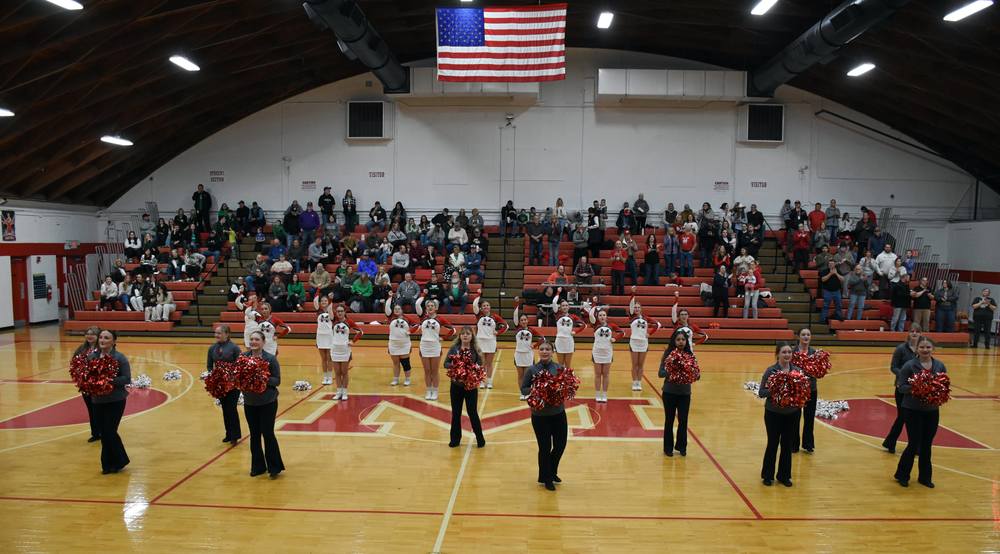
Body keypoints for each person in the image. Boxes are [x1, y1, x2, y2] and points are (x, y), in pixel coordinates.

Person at [894, 336, 946, 488]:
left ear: (933, 349)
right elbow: (901, 387)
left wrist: (937, 391)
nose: (925, 350)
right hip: (912, 410)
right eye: (922, 347)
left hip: (932, 411)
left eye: (928, 347)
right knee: (914, 443)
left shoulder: (940, 365)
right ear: (916, 349)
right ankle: (902, 475)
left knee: (927, 444)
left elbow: (944, 385)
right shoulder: (909, 366)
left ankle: (925, 477)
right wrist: (917, 388)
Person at [521, 341, 567, 491]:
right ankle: (547, 478)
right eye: (542, 349)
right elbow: (523, 389)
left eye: (548, 349)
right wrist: (537, 389)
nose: (545, 351)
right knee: (545, 447)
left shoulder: (560, 368)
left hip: (558, 413)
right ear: (538, 352)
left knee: (560, 445)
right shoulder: (532, 370)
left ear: (552, 351)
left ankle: (550, 471)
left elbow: (567, 387)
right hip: (540, 416)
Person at [242, 331, 284, 479]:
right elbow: (238, 378)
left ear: (263, 342)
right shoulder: (243, 358)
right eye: (252, 339)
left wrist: (262, 377)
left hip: (268, 402)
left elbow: (277, 381)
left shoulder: (270, 359)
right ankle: (258, 467)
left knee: (267, 433)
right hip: (250, 402)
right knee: (254, 435)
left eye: (257, 339)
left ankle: (274, 467)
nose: (254, 342)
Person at [89, 330, 131, 474]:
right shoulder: (92, 357)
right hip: (97, 400)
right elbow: (86, 376)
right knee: (104, 432)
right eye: (101, 337)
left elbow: (126, 379)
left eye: (106, 338)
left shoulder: (120, 358)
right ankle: (117, 461)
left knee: (109, 431)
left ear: (113, 342)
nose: (102, 340)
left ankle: (109, 464)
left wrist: (108, 380)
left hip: (116, 400)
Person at [758, 342, 800, 487]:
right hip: (773, 414)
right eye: (784, 352)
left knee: (787, 445)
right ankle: (767, 476)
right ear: (778, 354)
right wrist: (776, 390)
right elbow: (761, 392)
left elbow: (801, 393)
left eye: (789, 352)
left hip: (792, 414)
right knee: (773, 443)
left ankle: (784, 476)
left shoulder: (796, 371)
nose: (787, 354)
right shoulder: (771, 371)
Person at [444, 328, 487, 448]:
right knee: (456, 413)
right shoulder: (454, 349)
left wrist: (472, 370)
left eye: (468, 334)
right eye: (463, 334)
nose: (465, 336)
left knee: (472, 413)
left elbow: (480, 366)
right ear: (460, 336)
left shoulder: (476, 350)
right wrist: (456, 367)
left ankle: (480, 439)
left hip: (471, 387)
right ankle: (455, 439)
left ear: (472, 336)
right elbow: (445, 364)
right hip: (456, 386)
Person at [882, 324, 921, 453]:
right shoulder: (901, 349)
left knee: (915, 418)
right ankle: (891, 442)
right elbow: (893, 367)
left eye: (917, 331)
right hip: (902, 388)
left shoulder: (922, 348)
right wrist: (905, 375)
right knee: (903, 416)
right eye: (912, 331)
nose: (914, 333)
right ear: (908, 333)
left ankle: (912, 446)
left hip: (916, 388)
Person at [658, 329, 698, 457]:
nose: (681, 342)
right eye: (678, 340)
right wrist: (674, 370)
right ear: (674, 341)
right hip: (669, 392)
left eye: (683, 340)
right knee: (669, 420)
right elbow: (660, 373)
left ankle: (682, 447)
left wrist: (690, 373)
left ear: (686, 342)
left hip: (685, 393)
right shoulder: (668, 355)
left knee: (683, 420)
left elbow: (697, 375)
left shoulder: (690, 355)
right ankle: (668, 448)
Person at [207, 325, 243, 444]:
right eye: (215, 333)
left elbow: (241, 365)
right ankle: (228, 433)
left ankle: (235, 435)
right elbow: (209, 365)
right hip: (220, 384)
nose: (216, 335)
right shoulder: (212, 348)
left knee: (231, 409)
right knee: (225, 409)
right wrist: (213, 377)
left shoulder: (234, 348)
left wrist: (232, 377)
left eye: (219, 333)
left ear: (227, 334)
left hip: (233, 384)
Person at [413, 299, 455, 401]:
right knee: (427, 371)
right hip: (424, 346)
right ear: (426, 308)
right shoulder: (423, 318)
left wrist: (443, 338)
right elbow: (417, 303)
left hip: (435, 347)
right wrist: (424, 295)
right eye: (428, 306)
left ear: (436, 308)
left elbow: (453, 330)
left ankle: (435, 391)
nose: (430, 307)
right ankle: (428, 390)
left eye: (432, 306)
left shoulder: (440, 319)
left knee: (434, 371)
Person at [791, 328, 819, 453]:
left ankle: (808, 444)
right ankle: (793, 444)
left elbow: (818, 372)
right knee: (795, 417)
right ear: (798, 337)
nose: (806, 337)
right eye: (803, 334)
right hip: (796, 390)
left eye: (808, 334)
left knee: (809, 417)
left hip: (811, 389)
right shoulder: (792, 351)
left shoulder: (814, 352)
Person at [588, 307, 624, 403]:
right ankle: (597, 394)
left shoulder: (611, 325)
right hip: (597, 352)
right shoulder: (595, 324)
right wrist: (594, 304)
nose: (602, 317)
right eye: (600, 315)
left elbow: (622, 333)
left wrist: (615, 339)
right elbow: (591, 314)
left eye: (604, 315)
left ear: (606, 316)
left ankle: (604, 394)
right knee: (598, 374)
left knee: (606, 374)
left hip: (607, 352)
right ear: (598, 317)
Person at [628, 292, 661, 391]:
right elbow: (630, 303)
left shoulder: (646, 318)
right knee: (634, 364)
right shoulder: (631, 317)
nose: (636, 309)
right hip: (634, 342)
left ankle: (639, 382)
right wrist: (633, 293)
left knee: (641, 364)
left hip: (644, 342)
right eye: (635, 307)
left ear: (641, 309)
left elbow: (658, 324)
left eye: (638, 307)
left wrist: (649, 333)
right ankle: (634, 382)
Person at [73, 327, 101, 442]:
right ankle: (95, 433)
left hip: (99, 385)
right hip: (85, 385)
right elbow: (74, 363)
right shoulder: (81, 349)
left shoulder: (102, 349)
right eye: (87, 334)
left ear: (98, 336)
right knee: (91, 409)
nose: (89, 336)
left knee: (99, 409)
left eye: (93, 334)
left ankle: (104, 431)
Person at [473, 296, 508, 389]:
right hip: (480, 341)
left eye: (487, 305)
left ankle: (489, 382)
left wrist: (498, 332)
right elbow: (474, 305)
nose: (485, 307)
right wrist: (478, 295)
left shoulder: (495, 316)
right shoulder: (478, 315)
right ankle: (481, 381)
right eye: (484, 305)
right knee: (482, 363)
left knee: (489, 363)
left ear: (490, 307)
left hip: (491, 341)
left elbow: (506, 326)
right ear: (481, 308)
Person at [329, 304, 363, 400]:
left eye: (341, 311)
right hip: (335, 349)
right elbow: (328, 309)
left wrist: (353, 341)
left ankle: (345, 392)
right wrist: (330, 300)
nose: (339, 313)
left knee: (344, 372)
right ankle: (338, 392)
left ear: (345, 312)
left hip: (345, 350)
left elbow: (360, 332)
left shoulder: (349, 322)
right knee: (337, 372)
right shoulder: (333, 321)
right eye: (338, 311)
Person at [512, 302, 542, 400]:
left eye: (525, 319)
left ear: (528, 321)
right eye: (522, 320)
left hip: (528, 355)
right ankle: (522, 393)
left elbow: (542, 338)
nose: (523, 321)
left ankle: (527, 393)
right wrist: (516, 304)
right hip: (519, 355)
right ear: (519, 322)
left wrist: (535, 345)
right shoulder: (517, 329)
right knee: (520, 375)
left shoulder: (532, 330)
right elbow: (515, 315)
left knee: (527, 375)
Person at [384, 297, 416, 386]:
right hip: (393, 344)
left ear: (402, 310)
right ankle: (395, 379)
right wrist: (389, 297)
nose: (397, 310)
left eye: (399, 309)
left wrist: (410, 331)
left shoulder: (407, 318)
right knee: (396, 363)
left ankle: (407, 379)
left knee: (405, 363)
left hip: (404, 344)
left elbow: (417, 325)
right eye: (395, 309)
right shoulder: (391, 317)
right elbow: (387, 306)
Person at [553, 300, 585, 367]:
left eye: (566, 305)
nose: (565, 307)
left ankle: (567, 377)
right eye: (563, 305)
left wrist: (575, 332)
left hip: (569, 341)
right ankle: (561, 377)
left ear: (569, 307)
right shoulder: (557, 315)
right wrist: (558, 292)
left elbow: (584, 325)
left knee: (568, 365)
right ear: (560, 307)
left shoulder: (573, 316)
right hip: (559, 341)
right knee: (560, 365)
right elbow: (554, 302)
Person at [314, 295, 336, 385]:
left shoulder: (331, 311)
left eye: (325, 301)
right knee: (323, 359)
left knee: (329, 358)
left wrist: (331, 299)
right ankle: (325, 377)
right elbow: (315, 300)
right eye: (322, 301)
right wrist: (318, 289)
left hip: (329, 336)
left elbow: (332, 314)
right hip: (320, 336)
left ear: (328, 302)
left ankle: (330, 377)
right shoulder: (318, 311)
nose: (323, 302)